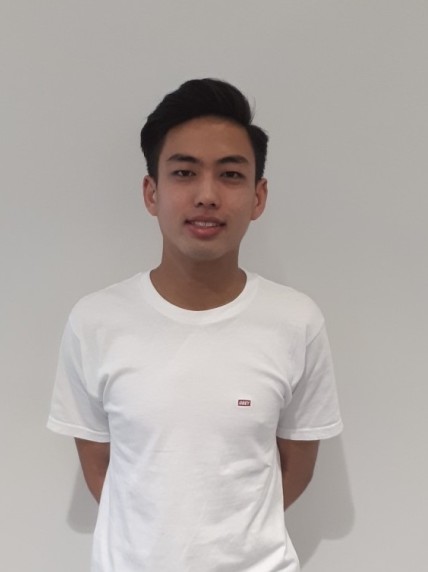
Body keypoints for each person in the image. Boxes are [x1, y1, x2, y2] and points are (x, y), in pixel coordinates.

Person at [47, 78, 343, 572]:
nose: (207, 195)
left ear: (258, 196)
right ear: (152, 192)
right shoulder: (95, 321)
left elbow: (296, 468)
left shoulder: (297, 321)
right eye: (184, 172)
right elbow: (103, 470)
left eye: (230, 175)